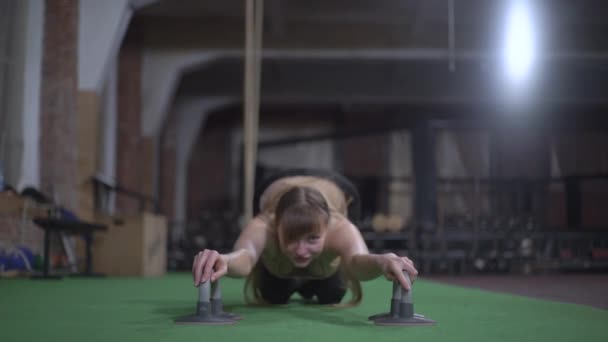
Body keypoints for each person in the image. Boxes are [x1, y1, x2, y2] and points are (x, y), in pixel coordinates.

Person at [191, 173, 418, 306]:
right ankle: (290, 282)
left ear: (326, 228)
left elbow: (357, 262)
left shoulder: (340, 227)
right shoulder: (263, 225)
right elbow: (246, 257)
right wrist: (223, 259)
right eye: (291, 238)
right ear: (276, 226)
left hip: (325, 271)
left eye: (312, 239)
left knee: (332, 294)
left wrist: (383, 261)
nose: (301, 251)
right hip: (279, 271)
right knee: (274, 296)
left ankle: (313, 284)